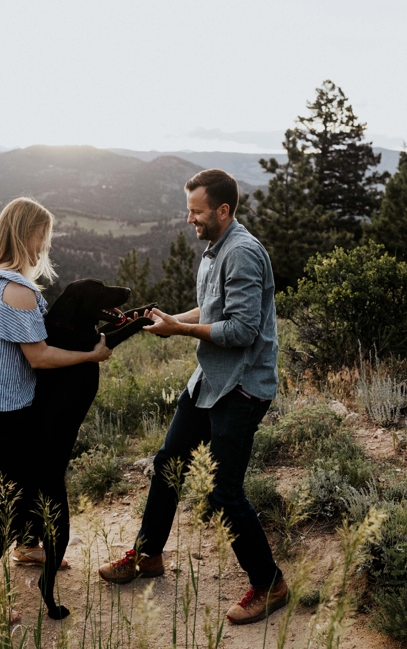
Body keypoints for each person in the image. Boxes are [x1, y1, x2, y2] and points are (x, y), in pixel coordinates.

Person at [98, 169, 287, 625]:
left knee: (224, 492)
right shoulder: (214, 250)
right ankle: (147, 555)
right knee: (168, 464)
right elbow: (215, 309)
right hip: (208, 380)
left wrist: (180, 330)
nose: (189, 219)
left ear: (223, 210)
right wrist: (169, 318)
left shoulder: (242, 253)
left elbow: (241, 330)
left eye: (197, 211)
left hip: (240, 388)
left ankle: (269, 583)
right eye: (188, 210)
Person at [0, 196, 112, 620]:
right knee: (6, 500)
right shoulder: (18, 290)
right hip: (7, 405)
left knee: (18, 483)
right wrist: (92, 356)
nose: (44, 243)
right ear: (27, 233)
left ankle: (28, 547)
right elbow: (40, 357)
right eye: (42, 234)